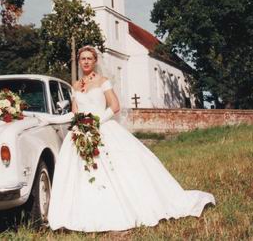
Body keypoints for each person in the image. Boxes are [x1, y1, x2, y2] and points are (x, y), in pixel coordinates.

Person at [38, 45, 215, 232]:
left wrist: (95, 122)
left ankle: (121, 210)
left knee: (117, 171)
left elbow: (115, 106)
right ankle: (84, 214)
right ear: (79, 61)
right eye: (83, 59)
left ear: (95, 61)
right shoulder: (75, 85)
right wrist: (49, 119)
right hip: (81, 132)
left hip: (103, 128)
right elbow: (74, 114)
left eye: (90, 58)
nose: (86, 62)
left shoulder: (103, 81)